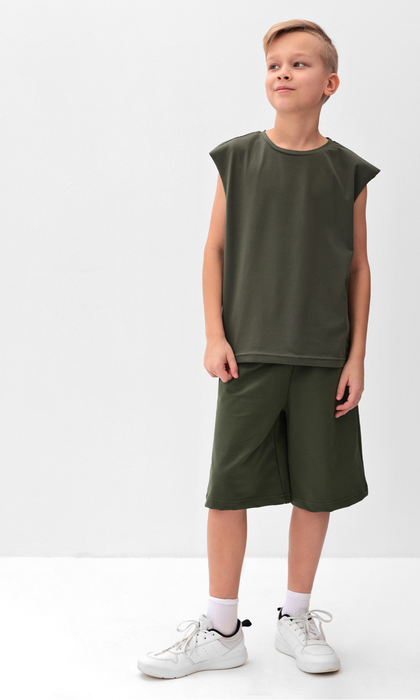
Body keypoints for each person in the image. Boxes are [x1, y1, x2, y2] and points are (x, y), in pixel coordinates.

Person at [137, 18, 380, 680]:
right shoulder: (238, 159)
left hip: (324, 356)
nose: (283, 73)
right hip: (248, 352)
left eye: (299, 64)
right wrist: (215, 334)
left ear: (329, 84)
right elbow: (214, 249)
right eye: (274, 64)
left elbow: (358, 268)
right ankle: (221, 630)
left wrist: (356, 357)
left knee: (316, 489)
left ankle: (296, 618)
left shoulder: (347, 171)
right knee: (228, 488)